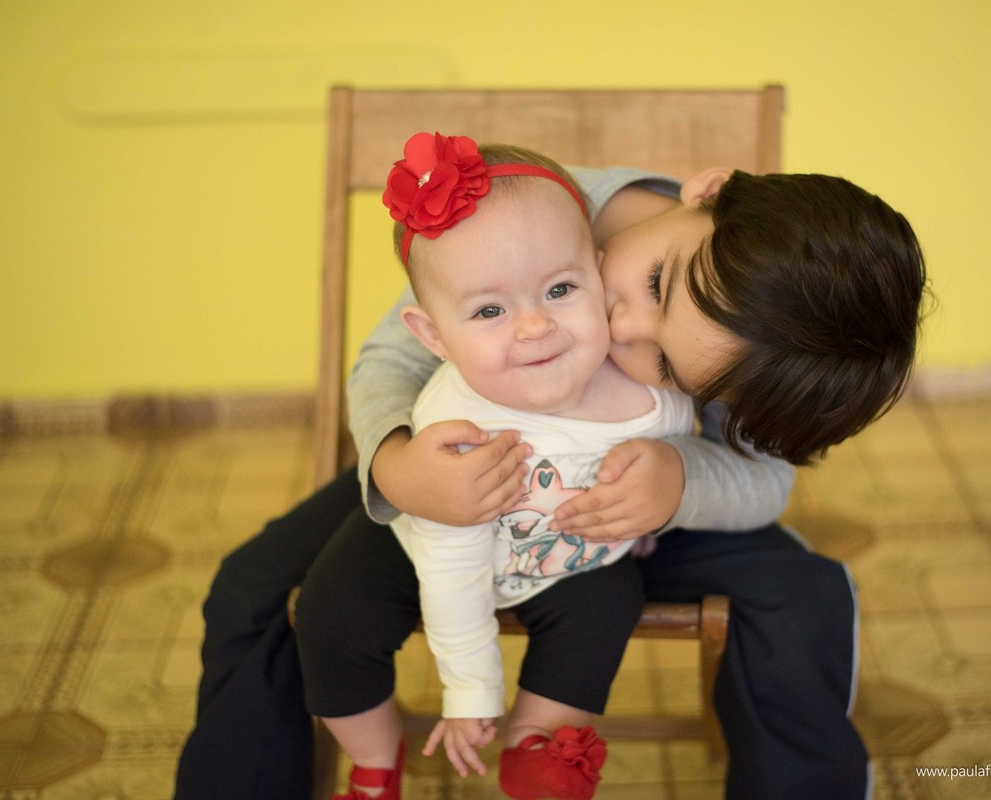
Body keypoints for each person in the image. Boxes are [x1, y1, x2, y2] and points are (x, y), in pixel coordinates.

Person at [175, 141, 927, 799]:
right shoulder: (525, 207)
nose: (623, 326)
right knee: (254, 587)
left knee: (804, 595)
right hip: (461, 473)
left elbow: (769, 482)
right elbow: (391, 361)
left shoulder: (765, 352)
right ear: (708, 193)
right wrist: (402, 468)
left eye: (664, 363)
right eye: (658, 285)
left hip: (625, 508)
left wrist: (680, 481)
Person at [297, 132, 695, 800]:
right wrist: (470, 691)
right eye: (488, 310)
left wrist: (661, 490)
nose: (534, 327)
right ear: (433, 337)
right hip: (433, 540)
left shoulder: (650, 395)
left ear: (599, 276)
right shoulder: (455, 429)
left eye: (561, 289)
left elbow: (680, 448)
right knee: (330, 614)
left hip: (571, 562)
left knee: (610, 602)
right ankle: (372, 759)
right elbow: (453, 578)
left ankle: (537, 741)